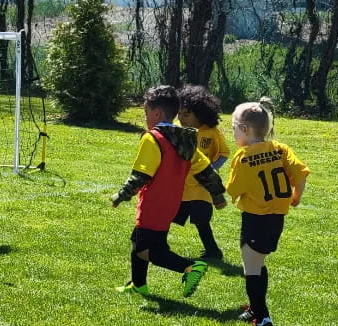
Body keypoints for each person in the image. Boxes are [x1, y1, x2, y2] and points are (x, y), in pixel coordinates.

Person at [111, 85, 227, 297]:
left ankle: (191, 267)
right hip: (172, 204)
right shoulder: (186, 139)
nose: (145, 117)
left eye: (146, 113)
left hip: (154, 203)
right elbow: (205, 170)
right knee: (139, 239)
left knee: (145, 250)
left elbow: (141, 174)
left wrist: (122, 194)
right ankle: (138, 285)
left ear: (157, 113)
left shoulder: (153, 138)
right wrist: (217, 194)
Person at [227, 98, 309, 326]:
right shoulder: (281, 149)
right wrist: (296, 197)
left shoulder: (243, 157)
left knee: (251, 269)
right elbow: (301, 174)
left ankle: (262, 317)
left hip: (255, 219)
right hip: (277, 219)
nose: (233, 134)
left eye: (233, 129)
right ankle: (255, 308)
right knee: (259, 263)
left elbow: (233, 190)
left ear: (245, 129)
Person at [173, 85, 230, 259]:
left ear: (200, 113)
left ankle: (213, 251)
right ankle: (156, 243)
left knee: (201, 220)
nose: (181, 118)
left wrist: (212, 168)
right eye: (179, 114)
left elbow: (224, 154)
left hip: (202, 187)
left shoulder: (212, 133)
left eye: (186, 114)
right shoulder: (177, 130)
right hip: (182, 186)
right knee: (169, 214)